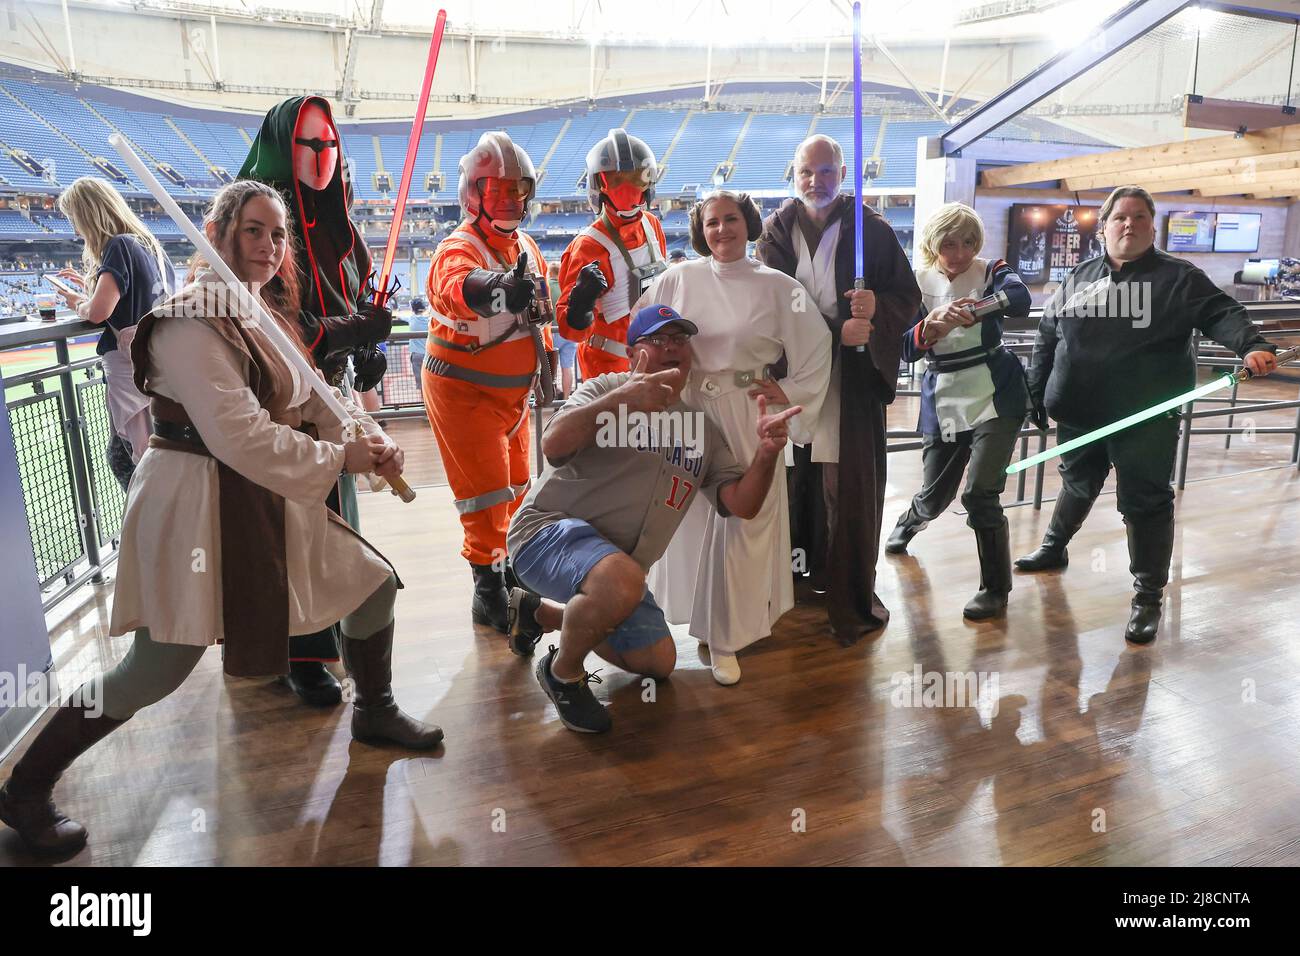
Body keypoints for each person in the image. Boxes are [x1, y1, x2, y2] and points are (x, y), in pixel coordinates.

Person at [0, 180, 442, 856]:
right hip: (198, 501)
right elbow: (240, 436)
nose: (269, 246)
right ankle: (25, 787)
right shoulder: (188, 319)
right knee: (153, 672)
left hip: (267, 495)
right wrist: (343, 459)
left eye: (279, 234)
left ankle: (374, 711)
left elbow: (310, 395)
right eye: (254, 231)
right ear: (222, 232)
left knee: (372, 584)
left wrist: (362, 431)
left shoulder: (261, 311)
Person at [505, 305, 802, 732]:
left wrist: (768, 455)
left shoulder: (700, 428)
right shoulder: (603, 389)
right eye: (657, 340)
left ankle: (540, 614)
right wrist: (625, 398)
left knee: (657, 663)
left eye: (679, 340)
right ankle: (562, 674)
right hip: (545, 534)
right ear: (633, 353)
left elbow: (741, 504)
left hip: (615, 572)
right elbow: (553, 445)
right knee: (622, 580)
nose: (671, 348)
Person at [1019, 185, 1277, 644]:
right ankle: (1054, 548)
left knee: (1145, 502)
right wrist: (1034, 395)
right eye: (1120, 217)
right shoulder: (1077, 276)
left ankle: (1147, 595)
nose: (1129, 224)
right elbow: (1047, 338)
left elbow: (1223, 313)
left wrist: (1252, 345)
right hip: (1079, 409)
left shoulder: (1180, 277)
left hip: (1146, 419)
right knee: (1077, 481)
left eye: (1139, 217)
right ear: (1103, 228)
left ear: (1152, 226)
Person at [640, 190, 831, 684]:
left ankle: (727, 636)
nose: (721, 230)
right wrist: (655, 389)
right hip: (688, 411)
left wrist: (786, 390)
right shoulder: (677, 278)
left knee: (742, 526)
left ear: (748, 224)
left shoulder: (777, 286)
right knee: (689, 520)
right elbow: (638, 335)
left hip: (748, 411)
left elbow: (817, 345)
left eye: (730, 220)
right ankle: (693, 623)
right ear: (700, 231)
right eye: (711, 223)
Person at [240, 96, 393, 705]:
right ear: (283, 148)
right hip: (281, 402)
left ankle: (329, 639)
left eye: (330, 145)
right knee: (296, 527)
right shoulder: (263, 227)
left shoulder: (339, 225)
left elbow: (338, 312)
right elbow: (282, 327)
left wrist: (364, 347)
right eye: (310, 145)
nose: (324, 157)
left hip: (333, 394)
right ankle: (297, 651)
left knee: (335, 524)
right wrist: (354, 330)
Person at [755, 134, 922, 645]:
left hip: (850, 377)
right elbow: (767, 306)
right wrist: (833, 331)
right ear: (794, 174)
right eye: (807, 172)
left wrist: (875, 309)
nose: (816, 181)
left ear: (843, 174)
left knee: (843, 483)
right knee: (790, 481)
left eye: (826, 172)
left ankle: (846, 587)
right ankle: (796, 580)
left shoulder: (872, 230)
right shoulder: (776, 232)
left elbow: (907, 297)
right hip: (795, 374)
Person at [422, 131, 554, 635]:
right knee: (485, 493)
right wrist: (499, 287)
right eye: (498, 192)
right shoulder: (458, 247)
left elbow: (539, 308)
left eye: (516, 192)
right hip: (465, 391)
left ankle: (514, 572)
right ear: (473, 195)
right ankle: (488, 588)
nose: (510, 201)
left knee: (518, 487)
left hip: (513, 398)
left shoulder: (526, 247)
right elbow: (458, 289)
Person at [882, 202, 1032, 620]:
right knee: (936, 495)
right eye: (949, 242)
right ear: (934, 243)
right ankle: (912, 520)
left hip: (996, 391)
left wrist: (974, 311)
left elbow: (1019, 298)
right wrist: (932, 324)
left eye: (968, 242)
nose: (960, 251)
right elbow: (905, 348)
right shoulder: (916, 280)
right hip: (943, 391)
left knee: (980, 492)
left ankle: (995, 590)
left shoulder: (991, 269)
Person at [51, 177, 175, 478]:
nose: (75, 229)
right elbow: (134, 297)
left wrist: (76, 302)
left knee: (130, 461)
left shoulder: (117, 245)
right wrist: (93, 287)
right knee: (145, 455)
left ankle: (149, 524)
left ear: (89, 214)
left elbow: (98, 311)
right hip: (157, 367)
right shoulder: (149, 245)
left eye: (74, 219)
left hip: (130, 372)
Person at [556, 128, 668, 379]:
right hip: (607, 367)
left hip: (654, 361)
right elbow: (570, 330)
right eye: (616, 180)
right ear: (599, 185)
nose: (627, 187)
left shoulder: (653, 226)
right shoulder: (587, 246)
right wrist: (580, 306)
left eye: (635, 178)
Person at [549, 261, 578, 398]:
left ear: (550, 273)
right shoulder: (568, 287)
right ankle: (566, 399)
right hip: (569, 333)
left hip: (552, 334)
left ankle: (550, 397)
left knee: (549, 369)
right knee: (567, 368)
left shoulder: (547, 287)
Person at [407, 295, 429, 385]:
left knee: (421, 384)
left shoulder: (412, 318)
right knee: (429, 382)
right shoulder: (429, 320)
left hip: (416, 355)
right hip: (429, 355)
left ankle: (423, 399)